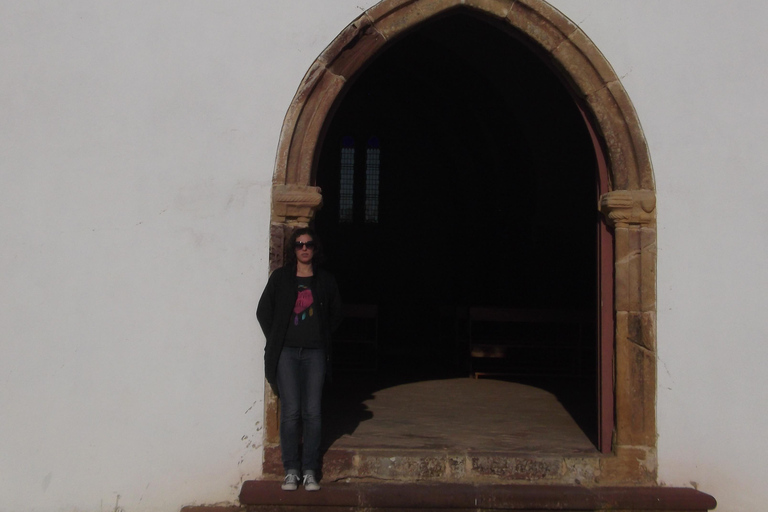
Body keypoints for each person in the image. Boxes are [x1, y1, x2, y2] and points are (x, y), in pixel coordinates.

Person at [257, 227, 342, 491]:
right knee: (291, 412)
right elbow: (263, 312)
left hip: (315, 352)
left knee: (313, 412)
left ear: (316, 249)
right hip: (287, 353)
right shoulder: (280, 278)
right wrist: (277, 338)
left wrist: (321, 335)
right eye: (299, 244)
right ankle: (291, 470)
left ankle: (310, 470)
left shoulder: (325, 280)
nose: (304, 248)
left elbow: (337, 314)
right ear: (293, 249)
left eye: (309, 244)